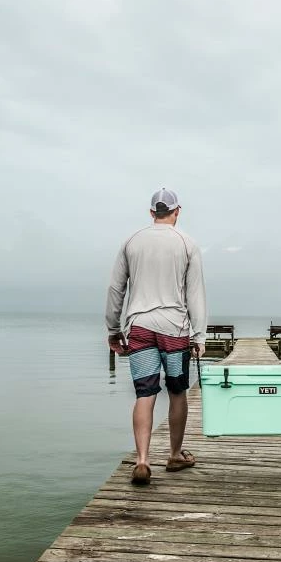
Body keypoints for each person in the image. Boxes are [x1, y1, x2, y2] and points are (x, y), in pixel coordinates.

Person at [106, 188, 208, 485]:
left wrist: (113, 329)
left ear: (152, 213)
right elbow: (195, 294)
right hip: (174, 329)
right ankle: (175, 455)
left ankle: (141, 460)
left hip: (139, 326)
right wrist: (199, 336)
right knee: (177, 392)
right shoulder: (187, 244)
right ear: (177, 211)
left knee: (144, 393)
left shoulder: (131, 242)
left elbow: (116, 290)